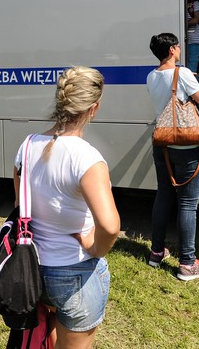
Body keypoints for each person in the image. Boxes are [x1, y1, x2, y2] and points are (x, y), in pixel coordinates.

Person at [13, 67, 121, 347]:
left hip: (32, 270)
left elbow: (19, 206)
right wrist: (95, 247)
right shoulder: (87, 159)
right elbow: (109, 226)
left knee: (50, 334)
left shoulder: (26, 147)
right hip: (76, 273)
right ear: (93, 108)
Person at [146, 33, 199, 281]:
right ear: (174, 49)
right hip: (185, 147)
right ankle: (187, 262)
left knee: (163, 195)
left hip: (161, 143)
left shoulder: (151, 76)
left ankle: (156, 252)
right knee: (187, 203)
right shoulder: (182, 74)